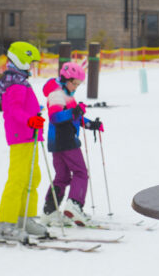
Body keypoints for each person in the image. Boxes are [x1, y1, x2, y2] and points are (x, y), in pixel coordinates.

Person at [40, 62, 104, 227]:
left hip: (57, 142)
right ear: (65, 78)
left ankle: (50, 211)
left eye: (78, 84)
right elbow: (55, 117)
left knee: (61, 177)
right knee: (81, 172)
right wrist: (73, 111)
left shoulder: (66, 94)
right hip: (65, 140)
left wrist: (91, 125)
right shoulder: (57, 95)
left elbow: (75, 117)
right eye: (74, 83)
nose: (76, 87)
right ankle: (74, 204)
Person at [0, 41, 47, 241]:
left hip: (29, 136)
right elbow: (14, 110)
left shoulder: (20, 81)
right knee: (18, 179)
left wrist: (35, 113)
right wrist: (30, 119)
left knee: (32, 178)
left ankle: (25, 218)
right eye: (30, 62)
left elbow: (24, 108)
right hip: (20, 137)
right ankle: (5, 224)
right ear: (21, 59)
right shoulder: (15, 83)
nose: (32, 66)